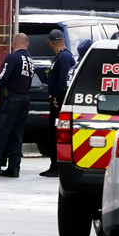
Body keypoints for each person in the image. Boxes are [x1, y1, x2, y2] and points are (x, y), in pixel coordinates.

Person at [0, 33, 34, 178]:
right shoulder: (30, 60)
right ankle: (14, 167)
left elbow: (2, 77)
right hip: (24, 99)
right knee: (16, 134)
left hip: (10, 99)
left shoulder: (13, 57)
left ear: (14, 43)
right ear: (27, 44)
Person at [41, 29, 75, 178]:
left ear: (50, 42)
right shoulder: (63, 56)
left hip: (58, 105)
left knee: (55, 135)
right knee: (52, 135)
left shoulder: (63, 58)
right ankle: (53, 165)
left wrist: (58, 98)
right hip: (58, 102)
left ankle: (56, 166)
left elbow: (64, 79)